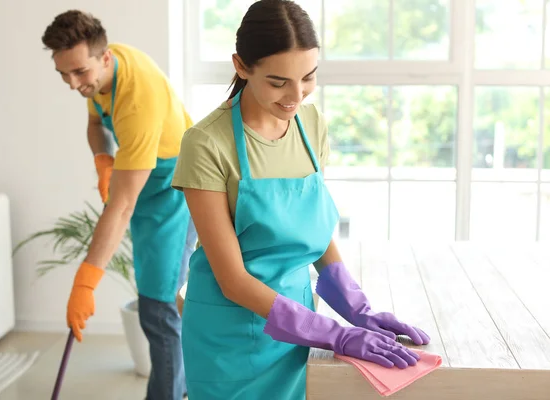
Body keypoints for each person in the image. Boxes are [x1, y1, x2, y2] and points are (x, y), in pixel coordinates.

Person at [171, 1, 430, 398]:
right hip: (229, 338)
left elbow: (313, 229)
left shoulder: (310, 125)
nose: (296, 96)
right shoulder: (206, 143)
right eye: (278, 82)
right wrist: (334, 334)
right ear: (241, 66)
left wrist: (357, 311)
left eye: (308, 77)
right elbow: (233, 280)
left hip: (296, 325)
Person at [41, 10, 197, 400]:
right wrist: (103, 158)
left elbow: (122, 205)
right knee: (153, 304)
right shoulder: (102, 76)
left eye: (79, 72)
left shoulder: (136, 101)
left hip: (175, 190)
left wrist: (86, 281)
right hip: (145, 186)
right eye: (63, 74)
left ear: (104, 57)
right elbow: (96, 124)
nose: (73, 83)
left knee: (158, 310)